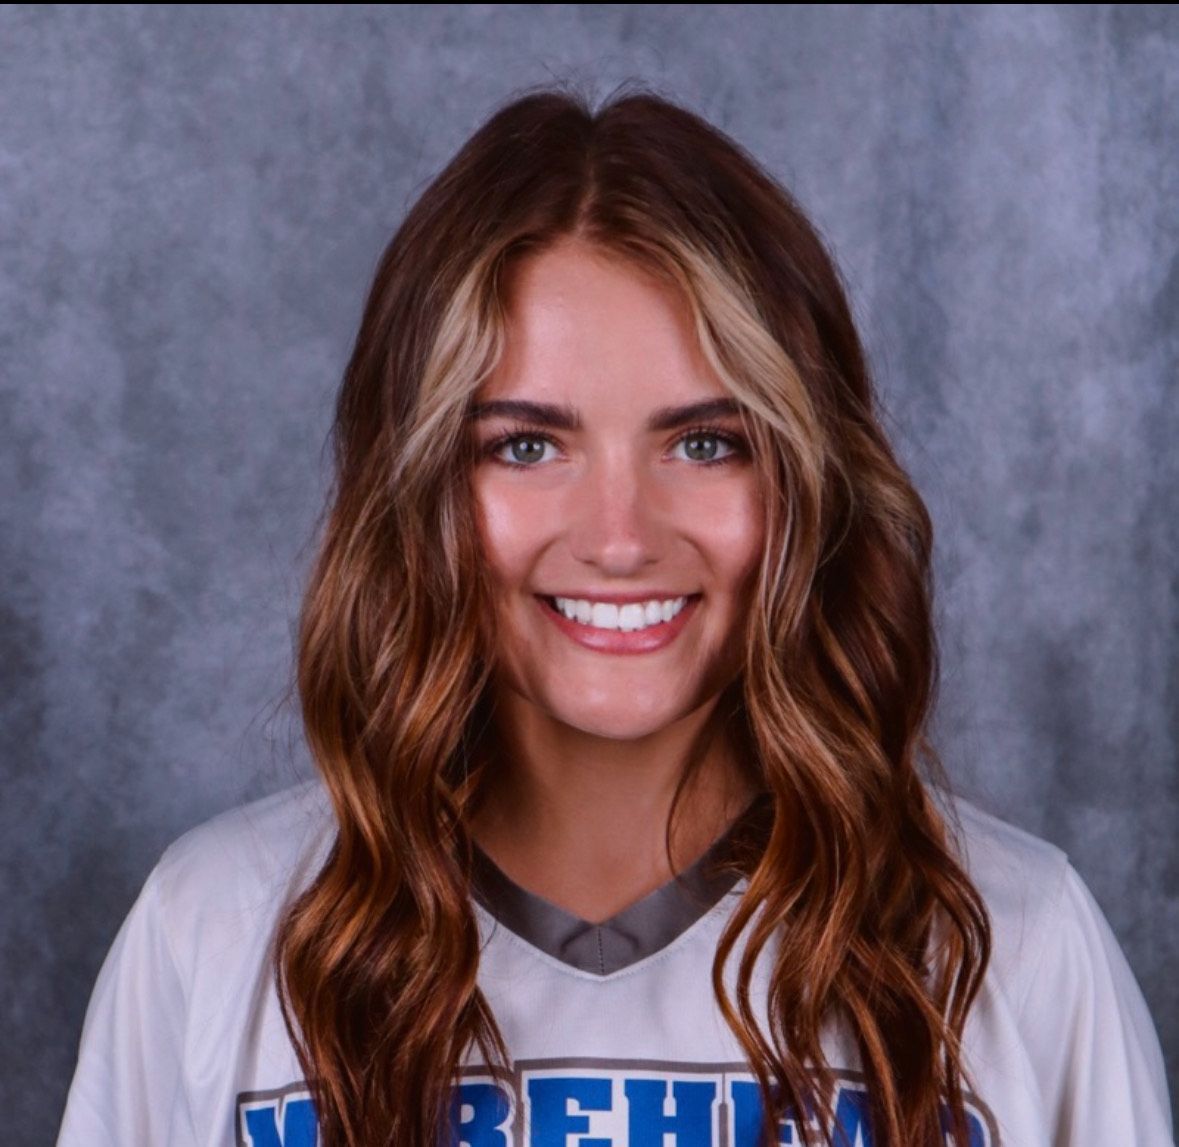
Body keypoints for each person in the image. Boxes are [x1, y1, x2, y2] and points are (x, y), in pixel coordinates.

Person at [56, 88, 1174, 1147]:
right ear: (419, 487)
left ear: (807, 478)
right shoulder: (214, 935)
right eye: (527, 445)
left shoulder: (1016, 947)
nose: (621, 534)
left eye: (706, 442)